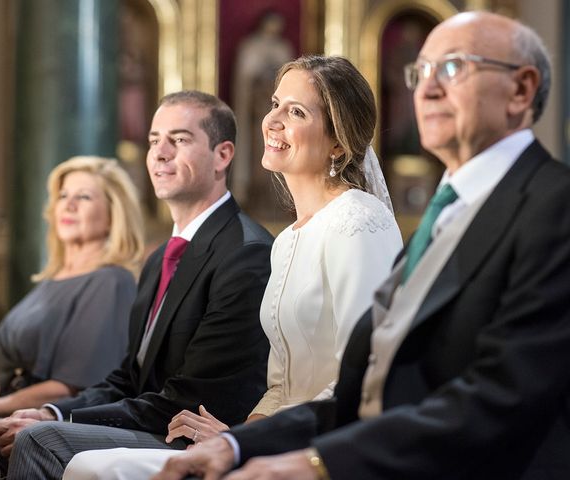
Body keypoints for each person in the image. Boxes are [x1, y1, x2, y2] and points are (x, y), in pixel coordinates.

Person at [152, 11, 570, 480]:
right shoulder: (447, 213)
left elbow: (505, 392)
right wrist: (236, 444)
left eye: (453, 68)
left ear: (521, 89)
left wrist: (317, 463)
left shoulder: (555, 208)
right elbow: (365, 389)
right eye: (420, 71)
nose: (424, 89)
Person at [62, 55, 403, 480]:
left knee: (100, 469)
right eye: (275, 104)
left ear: (338, 143)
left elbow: (364, 377)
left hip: (322, 454)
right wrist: (234, 438)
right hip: (272, 442)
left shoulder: (359, 222)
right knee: (88, 465)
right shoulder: (287, 241)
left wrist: (247, 447)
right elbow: (279, 388)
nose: (271, 120)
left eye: (295, 112)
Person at [0, 91, 273, 479]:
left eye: (180, 140)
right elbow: (128, 378)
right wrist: (51, 411)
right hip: (148, 415)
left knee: (39, 439)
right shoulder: (160, 258)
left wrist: (59, 417)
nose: (160, 153)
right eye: (154, 141)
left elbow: (188, 398)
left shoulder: (243, 253)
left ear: (223, 155)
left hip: (187, 435)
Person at [0, 155, 145, 474]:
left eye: (83, 196)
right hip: (4, 412)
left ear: (114, 215)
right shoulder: (51, 280)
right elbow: (14, 380)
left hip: (34, 426)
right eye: (63, 196)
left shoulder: (111, 281)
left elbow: (67, 388)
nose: (68, 205)